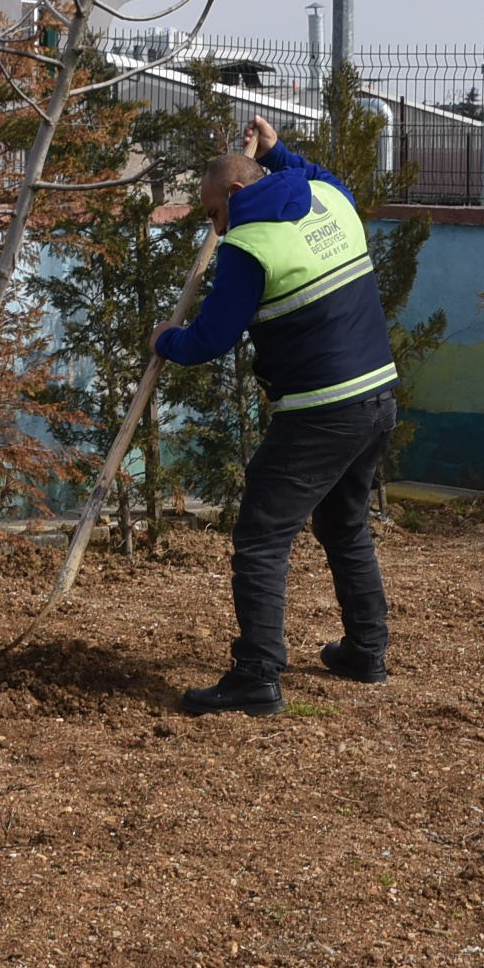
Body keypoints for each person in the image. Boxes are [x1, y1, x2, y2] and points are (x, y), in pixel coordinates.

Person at [154, 115, 399, 717]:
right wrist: (277, 148)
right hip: (378, 398)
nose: (215, 227)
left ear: (235, 196)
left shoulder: (247, 246)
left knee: (261, 538)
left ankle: (256, 676)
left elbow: (210, 339)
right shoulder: (330, 200)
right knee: (345, 528)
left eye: (214, 213)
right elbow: (305, 171)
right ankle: (366, 651)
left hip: (320, 411)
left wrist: (165, 339)